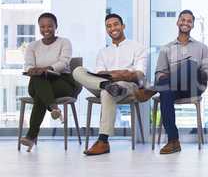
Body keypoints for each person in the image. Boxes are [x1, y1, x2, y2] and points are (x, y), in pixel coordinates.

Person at [72, 13, 147, 156]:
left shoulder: (138, 48)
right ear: (106, 30)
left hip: (128, 86)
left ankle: (103, 141)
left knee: (108, 92)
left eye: (116, 24)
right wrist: (121, 72)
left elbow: (138, 75)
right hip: (102, 84)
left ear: (123, 26)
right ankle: (107, 86)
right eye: (109, 26)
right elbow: (98, 74)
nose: (113, 28)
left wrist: (114, 75)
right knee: (78, 71)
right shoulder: (103, 52)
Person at [154, 10, 208, 154]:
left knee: (190, 65)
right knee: (165, 91)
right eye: (183, 20)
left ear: (192, 25)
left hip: (194, 85)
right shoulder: (166, 49)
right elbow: (159, 74)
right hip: (173, 88)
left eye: (189, 21)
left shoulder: (202, 47)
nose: (185, 23)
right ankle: (173, 141)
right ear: (177, 22)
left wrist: (198, 73)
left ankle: (151, 89)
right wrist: (173, 76)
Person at [20, 12, 78, 152]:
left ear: (56, 26)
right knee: (39, 77)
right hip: (38, 82)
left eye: (50, 26)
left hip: (62, 82)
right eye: (42, 26)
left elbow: (64, 63)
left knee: (41, 94)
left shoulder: (64, 42)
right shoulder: (32, 46)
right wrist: (32, 70)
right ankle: (54, 108)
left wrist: (49, 69)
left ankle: (31, 136)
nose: (46, 29)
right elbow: (27, 65)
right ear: (39, 27)